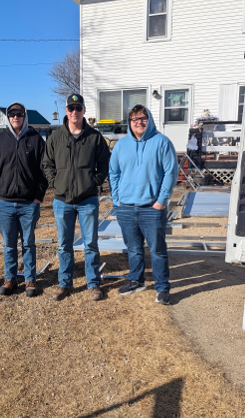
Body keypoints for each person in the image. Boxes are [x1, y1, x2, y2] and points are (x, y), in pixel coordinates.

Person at [109, 104, 178, 305]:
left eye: (143, 118)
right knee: (134, 248)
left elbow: (170, 173)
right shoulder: (121, 146)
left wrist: (161, 201)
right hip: (126, 208)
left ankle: (163, 287)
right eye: (134, 119)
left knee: (157, 250)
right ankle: (136, 280)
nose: (139, 122)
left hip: (152, 208)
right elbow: (113, 173)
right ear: (129, 123)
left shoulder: (162, 142)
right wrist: (117, 200)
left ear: (150, 119)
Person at [43, 93, 110, 301]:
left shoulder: (95, 137)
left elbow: (104, 165)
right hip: (62, 201)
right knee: (64, 244)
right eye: (71, 108)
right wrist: (55, 183)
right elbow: (47, 164)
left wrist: (94, 182)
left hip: (87, 200)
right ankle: (65, 283)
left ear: (84, 111)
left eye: (78, 108)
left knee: (90, 243)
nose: (74, 112)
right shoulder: (56, 137)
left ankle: (93, 283)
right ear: (66, 111)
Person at [0, 102, 47, 297]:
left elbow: (44, 171)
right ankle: (10, 279)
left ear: (24, 116)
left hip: (29, 203)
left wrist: (38, 197)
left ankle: (30, 280)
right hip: (4, 203)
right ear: (8, 117)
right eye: (12, 114)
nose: (15, 117)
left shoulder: (36, 139)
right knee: (9, 244)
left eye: (19, 114)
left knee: (28, 243)